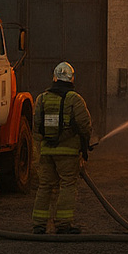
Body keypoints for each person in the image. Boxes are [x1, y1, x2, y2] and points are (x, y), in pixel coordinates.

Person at [31, 61, 92, 235]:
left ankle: (39, 225)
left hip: (46, 152)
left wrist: (40, 149)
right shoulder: (75, 99)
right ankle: (63, 224)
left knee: (45, 186)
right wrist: (85, 145)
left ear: (55, 78)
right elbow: (85, 125)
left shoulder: (42, 98)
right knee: (67, 185)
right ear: (72, 79)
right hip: (68, 152)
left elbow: (36, 126)